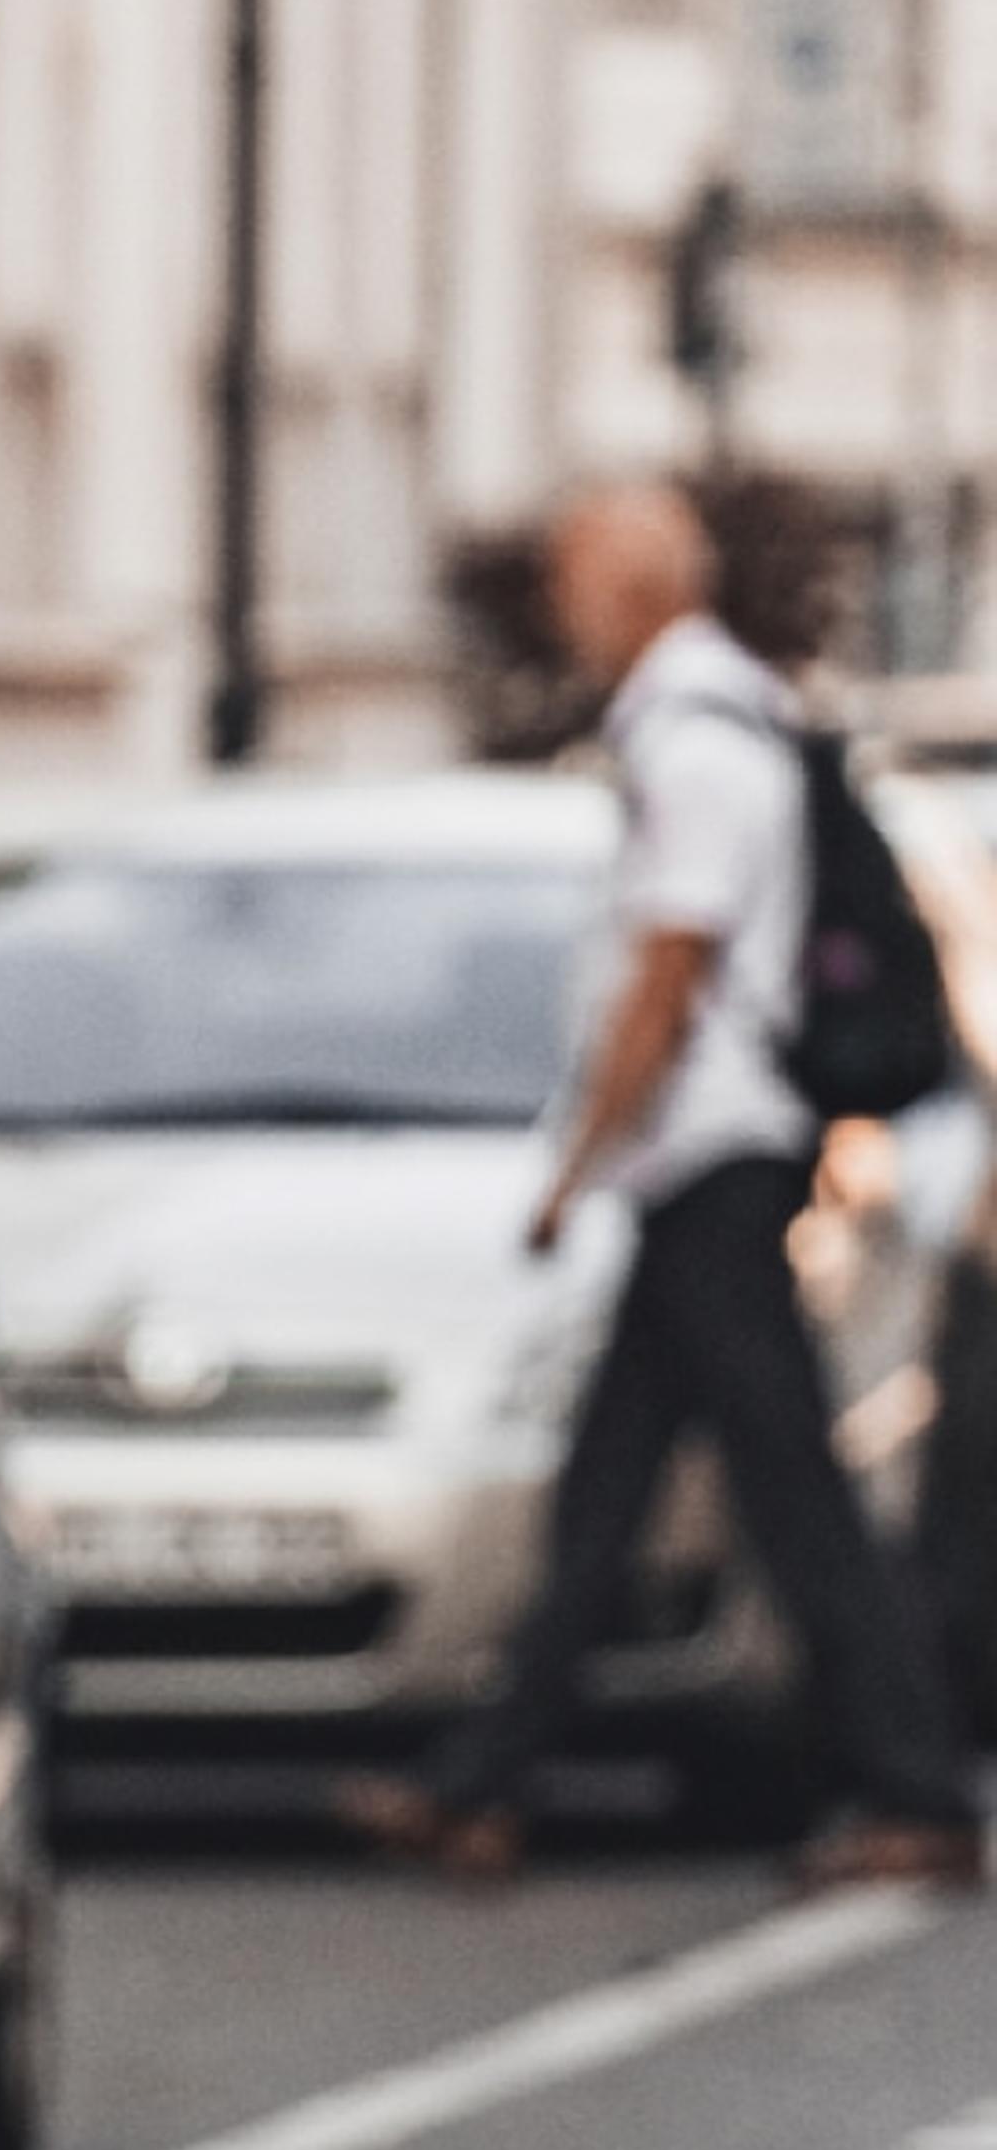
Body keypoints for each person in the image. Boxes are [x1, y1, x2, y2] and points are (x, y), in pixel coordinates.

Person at [360, 476, 981, 1889]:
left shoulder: (699, 744)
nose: (566, 614)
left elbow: (670, 976)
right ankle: (487, 1782)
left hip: (715, 1160)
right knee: (608, 1486)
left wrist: (576, 1168)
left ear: (627, 590)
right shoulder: (709, 722)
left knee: (793, 1495)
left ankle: (921, 1791)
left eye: (577, 582)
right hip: (703, 1165)